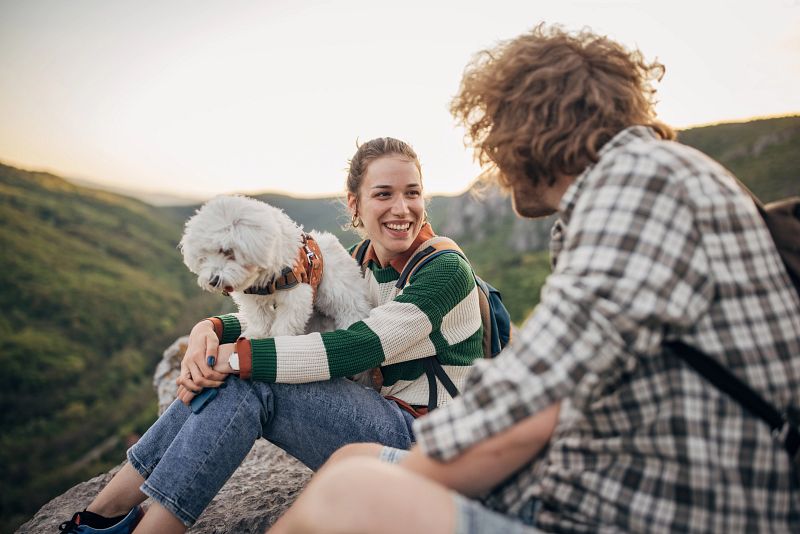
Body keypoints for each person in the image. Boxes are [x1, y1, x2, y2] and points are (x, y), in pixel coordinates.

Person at [268, 24, 800, 533]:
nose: (492, 156)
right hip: (611, 471)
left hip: (645, 510)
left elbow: (537, 387)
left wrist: (399, 481)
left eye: (494, 132)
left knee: (350, 491)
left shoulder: (640, 186)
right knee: (352, 460)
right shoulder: (645, 178)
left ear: (528, 129)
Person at [58, 137, 486, 533]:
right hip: (374, 419)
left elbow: (359, 347)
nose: (402, 207)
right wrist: (210, 329)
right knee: (238, 368)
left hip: (423, 444)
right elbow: (283, 310)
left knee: (251, 377)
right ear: (355, 205)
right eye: (384, 194)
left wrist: (235, 359)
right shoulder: (361, 261)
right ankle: (103, 514)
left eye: (412, 192)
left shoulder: (444, 270)